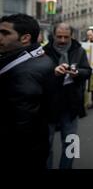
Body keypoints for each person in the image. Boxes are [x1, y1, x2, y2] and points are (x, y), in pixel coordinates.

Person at [0, 14, 54, 169]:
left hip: (20, 153)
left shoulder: (24, 73)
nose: (0, 37)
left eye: (5, 33)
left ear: (25, 38)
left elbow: (21, 123)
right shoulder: (34, 59)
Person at [44, 23, 92, 169]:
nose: (63, 40)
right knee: (46, 143)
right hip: (48, 103)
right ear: (53, 35)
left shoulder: (79, 50)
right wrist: (53, 72)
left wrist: (78, 73)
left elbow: (87, 71)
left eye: (66, 37)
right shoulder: (43, 51)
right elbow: (37, 75)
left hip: (71, 103)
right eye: (59, 37)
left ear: (71, 36)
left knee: (71, 142)